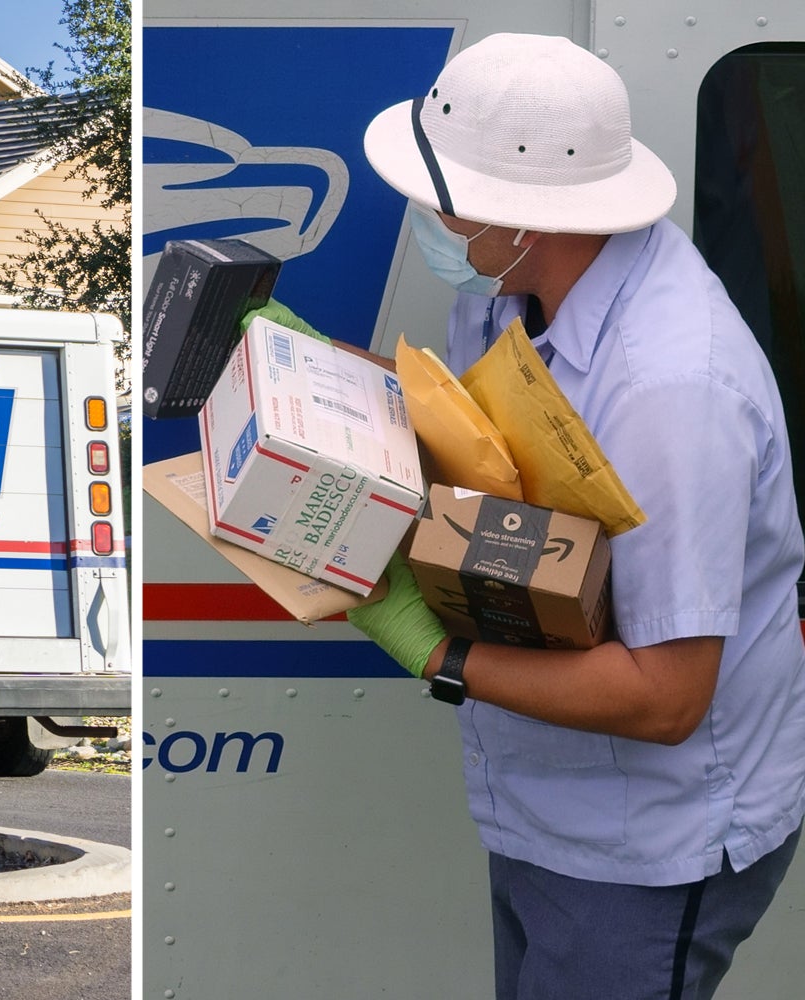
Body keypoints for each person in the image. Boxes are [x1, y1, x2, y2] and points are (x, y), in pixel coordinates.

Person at [336, 32, 805, 1000]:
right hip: (553, 806)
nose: (426, 213)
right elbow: (483, 438)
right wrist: (327, 392)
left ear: (517, 214)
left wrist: (434, 651)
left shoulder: (673, 387)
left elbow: (663, 699)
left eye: (439, 195)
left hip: (646, 841)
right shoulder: (513, 288)